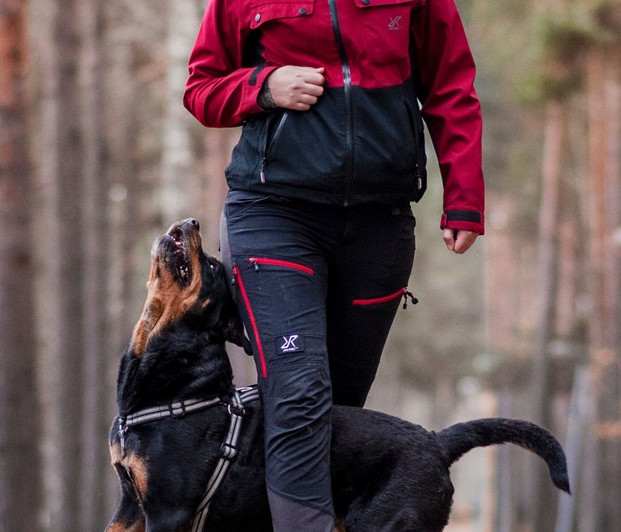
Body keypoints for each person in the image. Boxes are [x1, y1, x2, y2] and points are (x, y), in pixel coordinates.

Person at [183, 0, 486, 527]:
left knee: (337, 414)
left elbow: (450, 84)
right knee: (299, 394)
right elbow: (201, 90)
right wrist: (263, 86)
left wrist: (463, 197)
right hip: (273, 214)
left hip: (379, 224)